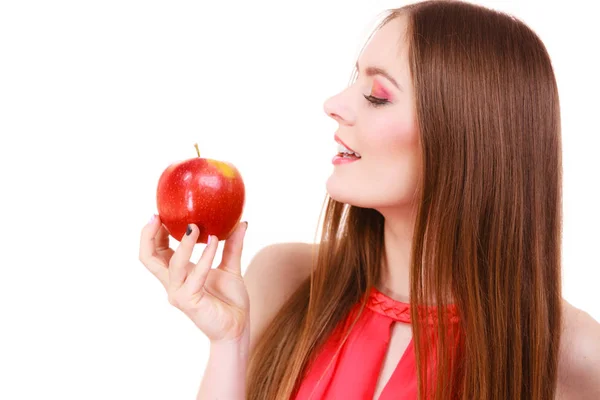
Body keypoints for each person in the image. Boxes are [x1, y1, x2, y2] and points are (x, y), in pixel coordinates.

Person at [139, 1, 600, 399]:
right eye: (354, 80)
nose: (334, 103)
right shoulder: (283, 280)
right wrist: (228, 345)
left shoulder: (572, 355)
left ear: (468, 137)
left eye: (378, 95)